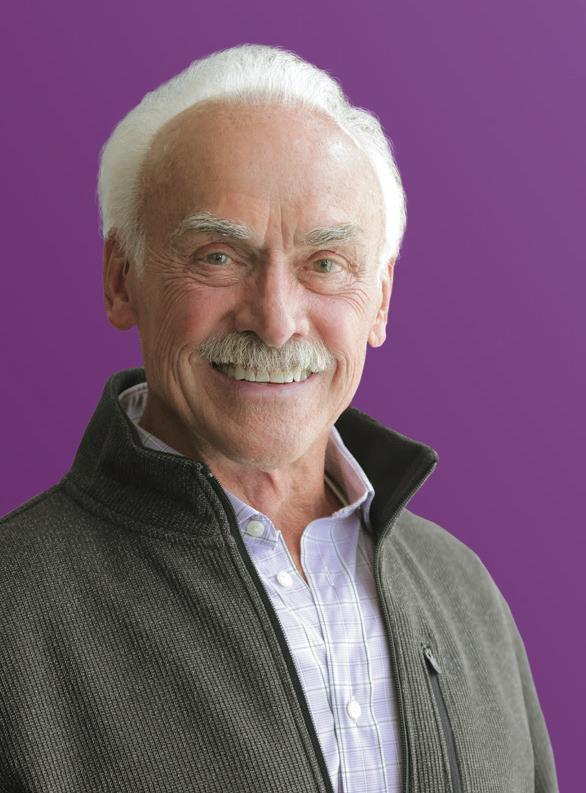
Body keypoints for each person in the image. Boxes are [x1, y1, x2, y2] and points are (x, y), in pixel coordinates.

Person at [0, 44, 558, 793]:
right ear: (120, 277)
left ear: (380, 299)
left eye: (325, 264)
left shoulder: (465, 594)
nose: (275, 319)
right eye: (219, 256)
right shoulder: (14, 611)